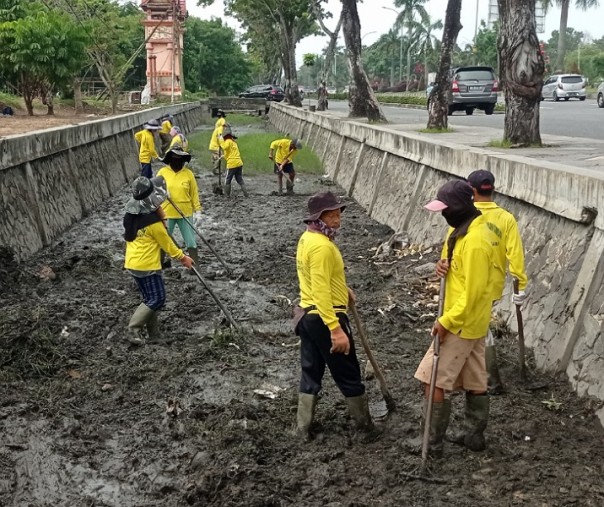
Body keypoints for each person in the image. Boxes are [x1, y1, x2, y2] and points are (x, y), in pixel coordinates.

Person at [415, 180, 495, 455]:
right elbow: (459, 270)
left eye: (445, 209)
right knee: (475, 381)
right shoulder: (464, 233)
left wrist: (445, 322)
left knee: (431, 379)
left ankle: (432, 442)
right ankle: (474, 436)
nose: (443, 214)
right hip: (475, 322)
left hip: (460, 322)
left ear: (460, 207)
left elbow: (472, 293)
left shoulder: (474, 242)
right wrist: (442, 266)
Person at [294, 191, 378, 440]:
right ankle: (366, 429)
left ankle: (302, 428)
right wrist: (335, 329)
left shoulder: (307, 239)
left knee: (311, 371)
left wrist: (343, 288)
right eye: (331, 215)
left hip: (307, 316)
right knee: (348, 371)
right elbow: (320, 289)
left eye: (338, 213)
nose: (337, 219)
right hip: (324, 316)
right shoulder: (322, 247)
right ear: (318, 217)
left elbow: (315, 278)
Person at [464, 169, 528, 394]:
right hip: (492, 286)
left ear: (471, 190)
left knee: (478, 329)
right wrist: (520, 284)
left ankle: (490, 380)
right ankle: (483, 376)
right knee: (477, 327)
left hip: (466, 283)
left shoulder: (464, 213)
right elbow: (515, 255)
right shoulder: (506, 218)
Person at [123, 175, 193, 345]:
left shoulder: (131, 217)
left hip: (133, 263)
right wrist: (184, 258)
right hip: (147, 266)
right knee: (158, 298)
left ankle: (154, 334)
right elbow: (168, 245)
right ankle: (133, 330)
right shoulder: (153, 224)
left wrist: (161, 217)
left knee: (149, 299)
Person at [157, 148, 202, 267]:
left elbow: (194, 194)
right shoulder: (162, 172)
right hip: (166, 213)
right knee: (163, 239)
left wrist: (198, 211)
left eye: (180, 159)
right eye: (174, 159)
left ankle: (194, 265)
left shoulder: (188, 174)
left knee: (191, 241)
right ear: (169, 160)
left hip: (185, 212)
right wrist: (163, 192)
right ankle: (158, 264)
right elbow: (154, 191)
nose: (177, 162)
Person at [218, 126, 248, 197]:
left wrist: (220, 140)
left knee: (228, 180)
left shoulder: (227, 141)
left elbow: (224, 147)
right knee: (239, 179)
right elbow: (228, 153)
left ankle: (227, 195)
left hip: (232, 164)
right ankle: (246, 194)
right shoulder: (234, 143)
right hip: (239, 162)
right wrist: (222, 156)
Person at [209, 109, 228, 175]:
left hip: (212, 145)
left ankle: (215, 167)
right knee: (220, 156)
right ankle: (215, 169)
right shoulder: (221, 125)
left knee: (215, 156)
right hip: (215, 146)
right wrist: (223, 146)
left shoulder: (217, 124)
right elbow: (220, 137)